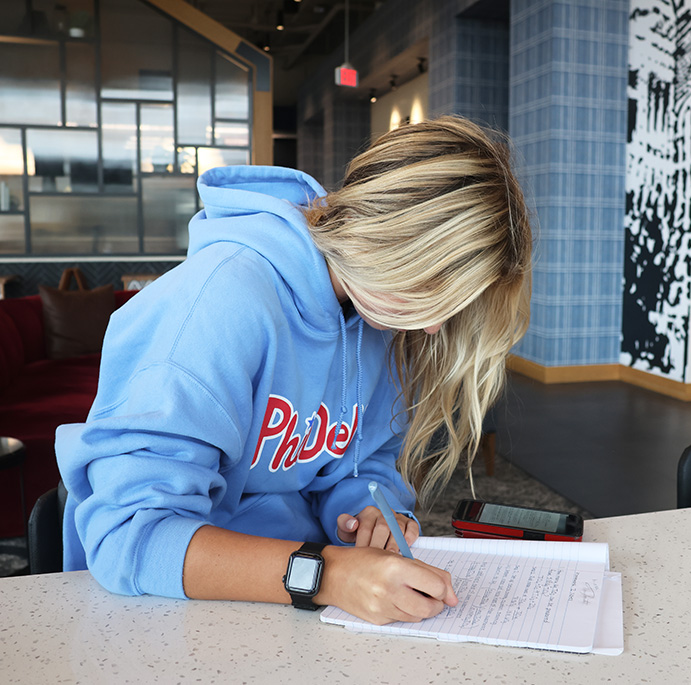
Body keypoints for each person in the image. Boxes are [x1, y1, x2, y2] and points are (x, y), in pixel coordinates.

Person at [56, 115, 532, 626]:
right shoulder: (216, 304)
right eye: (428, 292)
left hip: (292, 597)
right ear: (389, 240)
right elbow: (130, 535)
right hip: (161, 609)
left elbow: (362, 460)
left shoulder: (374, 312)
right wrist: (329, 575)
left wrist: (366, 513)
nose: (433, 327)